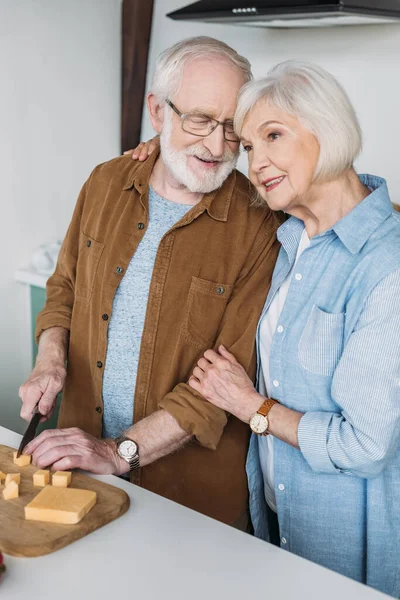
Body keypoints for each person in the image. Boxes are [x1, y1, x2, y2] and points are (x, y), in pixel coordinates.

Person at [18, 37, 281, 528]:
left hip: (189, 499)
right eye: (200, 119)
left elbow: (221, 386)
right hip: (79, 471)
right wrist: (50, 360)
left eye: (231, 126)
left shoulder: (261, 225)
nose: (217, 145)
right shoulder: (104, 182)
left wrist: (120, 451)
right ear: (157, 111)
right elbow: (65, 288)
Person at [188, 61, 400, 597]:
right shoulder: (290, 240)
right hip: (279, 521)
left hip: (353, 546)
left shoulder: (387, 266)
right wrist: (141, 159)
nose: (257, 162)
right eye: (250, 146)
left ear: (326, 131)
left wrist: (250, 406)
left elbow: (365, 445)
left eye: (273, 136)